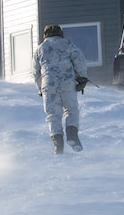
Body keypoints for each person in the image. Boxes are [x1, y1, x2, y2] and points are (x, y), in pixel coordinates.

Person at [32, 24, 89, 154]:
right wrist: (82, 78)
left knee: (53, 115)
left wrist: (40, 89)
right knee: (71, 110)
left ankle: (58, 145)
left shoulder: (40, 49)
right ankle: (72, 135)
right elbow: (79, 60)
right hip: (67, 82)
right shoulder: (68, 44)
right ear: (60, 33)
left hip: (48, 84)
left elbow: (35, 72)